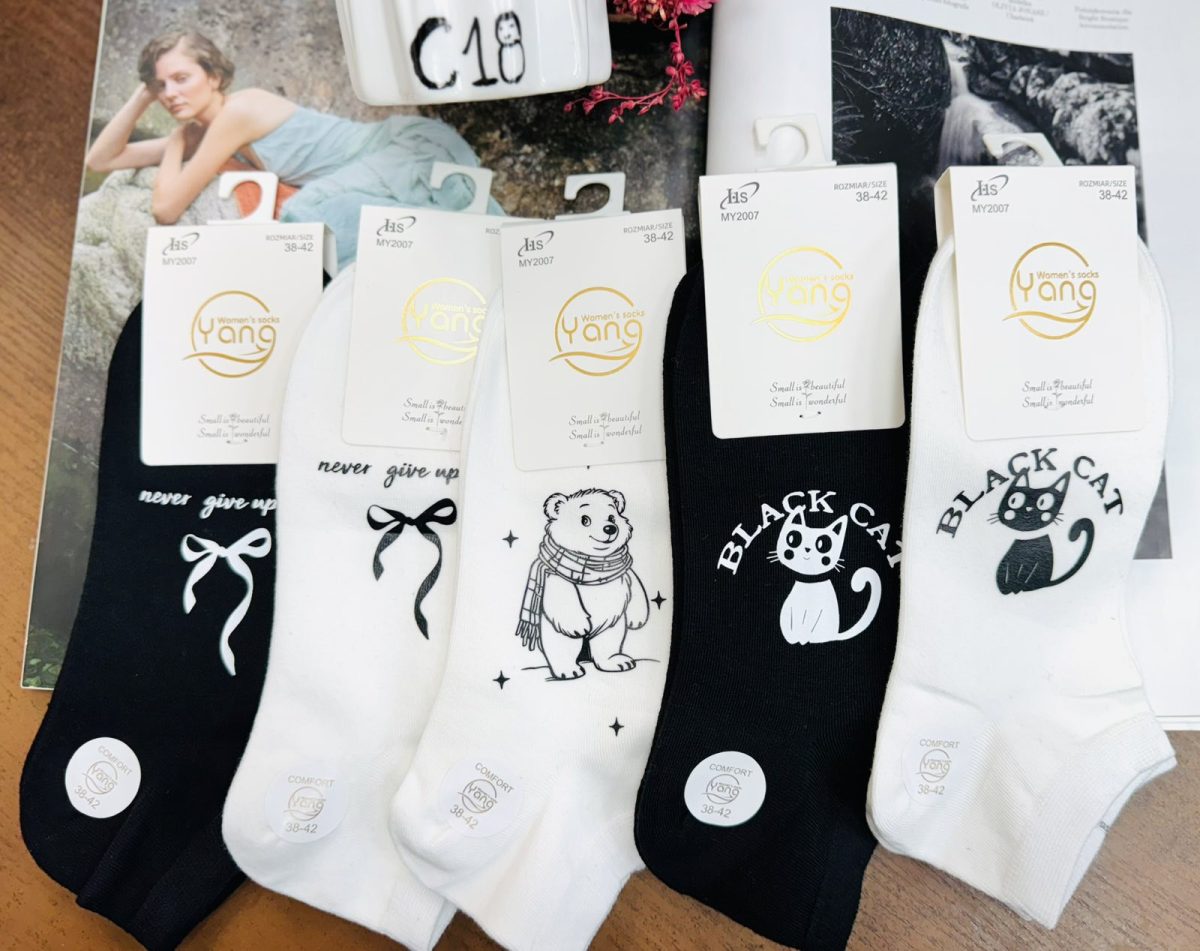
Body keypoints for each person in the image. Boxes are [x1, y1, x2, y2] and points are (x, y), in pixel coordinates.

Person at [86, 30, 496, 264]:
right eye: (160, 85)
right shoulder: (205, 132)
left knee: (304, 215)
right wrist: (143, 96)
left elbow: (165, 209)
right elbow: (101, 159)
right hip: (384, 164)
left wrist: (176, 142)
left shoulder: (238, 112)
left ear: (213, 77)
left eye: (181, 78)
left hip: (406, 150)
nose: (170, 93)